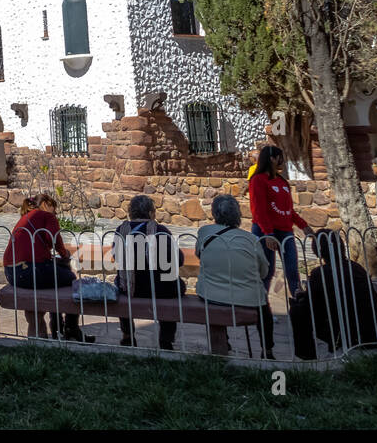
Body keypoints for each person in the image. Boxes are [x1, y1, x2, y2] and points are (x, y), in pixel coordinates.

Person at [291, 229, 377, 359]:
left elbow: (312, 306)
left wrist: (300, 297)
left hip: (351, 336)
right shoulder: (356, 268)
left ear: (317, 250)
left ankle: (306, 357)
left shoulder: (320, 273)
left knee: (297, 310)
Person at [196, 194, 275, 358]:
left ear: (214, 213)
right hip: (249, 298)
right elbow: (263, 272)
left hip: (211, 294)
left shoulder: (204, 232)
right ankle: (267, 349)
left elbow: (199, 254)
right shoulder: (251, 239)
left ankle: (223, 340)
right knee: (264, 307)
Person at [2, 192, 88, 341]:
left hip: (11, 272)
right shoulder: (47, 216)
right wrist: (64, 253)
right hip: (29, 271)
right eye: (54, 209)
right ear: (47, 205)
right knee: (70, 278)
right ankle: (69, 327)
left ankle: (57, 325)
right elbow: (53, 237)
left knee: (55, 277)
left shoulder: (26, 217)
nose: (56, 213)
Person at [112, 194, 184, 350]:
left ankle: (127, 335)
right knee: (173, 284)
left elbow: (116, 257)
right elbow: (179, 260)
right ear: (151, 213)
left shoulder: (122, 230)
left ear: (131, 212)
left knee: (120, 283)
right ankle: (166, 339)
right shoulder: (161, 230)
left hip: (132, 288)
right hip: (160, 289)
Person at [248, 144, 314, 299]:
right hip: (265, 231)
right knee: (266, 270)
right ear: (272, 159)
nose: (282, 161)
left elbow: (288, 209)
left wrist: (303, 225)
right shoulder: (258, 180)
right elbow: (259, 209)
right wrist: (268, 233)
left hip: (285, 231)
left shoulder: (282, 182)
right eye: (280, 158)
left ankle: (299, 302)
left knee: (292, 268)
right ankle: (262, 307)